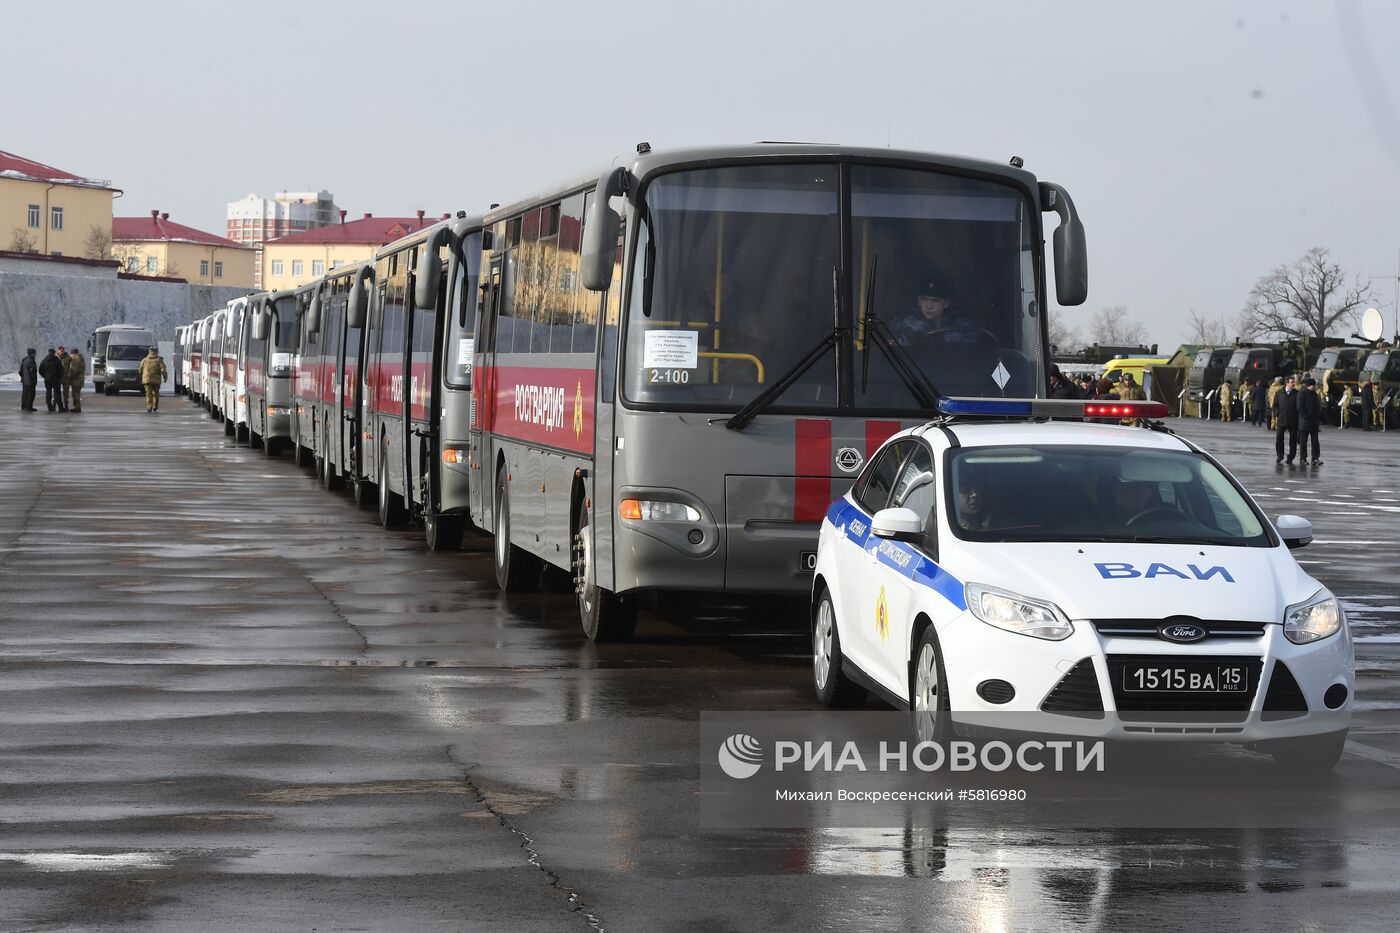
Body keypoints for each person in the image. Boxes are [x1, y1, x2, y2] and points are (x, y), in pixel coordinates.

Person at [891, 276, 978, 345]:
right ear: (919, 301)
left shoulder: (961, 324)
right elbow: (894, 346)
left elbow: (965, 351)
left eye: (935, 300)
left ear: (946, 303)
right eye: (924, 299)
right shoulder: (905, 322)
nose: (929, 306)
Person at [1273, 375, 1299, 463]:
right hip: (1282, 419)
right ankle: (1280, 455)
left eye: (1294, 382)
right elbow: (1275, 405)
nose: (1294, 384)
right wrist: (1277, 413)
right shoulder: (1279, 393)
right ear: (1287, 383)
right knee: (1279, 438)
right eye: (1292, 382)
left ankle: (1291, 457)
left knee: (1293, 440)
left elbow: (1299, 407)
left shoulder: (1297, 393)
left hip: (1293, 420)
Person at [1297, 377, 1322, 465]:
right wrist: (1306, 416)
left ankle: (1315, 458)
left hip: (1314, 423)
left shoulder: (1315, 394)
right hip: (1305, 422)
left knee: (1315, 442)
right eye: (1313, 385)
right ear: (1309, 385)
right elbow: (1300, 407)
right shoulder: (1302, 394)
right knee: (1303, 442)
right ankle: (1303, 458)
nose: (1314, 387)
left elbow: (1317, 407)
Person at [138, 346, 168, 412]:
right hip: (156, 380)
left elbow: (140, 370)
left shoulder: (144, 360)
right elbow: (163, 369)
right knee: (156, 394)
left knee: (149, 394)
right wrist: (165, 377)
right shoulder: (159, 360)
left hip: (147, 380)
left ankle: (149, 406)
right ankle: (155, 406)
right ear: (156, 352)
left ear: (149, 352)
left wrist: (142, 376)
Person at [38, 348, 64, 412]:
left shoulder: (44, 360)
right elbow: (61, 371)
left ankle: (50, 407)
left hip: (47, 380)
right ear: (54, 353)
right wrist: (58, 377)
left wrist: (45, 376)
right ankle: (60, 408)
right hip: (55, 380)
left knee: (48, 393)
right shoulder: (57, 360)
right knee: (57, 393)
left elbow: (40, 370)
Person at [64, 344, 85, 414]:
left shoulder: (76, 360)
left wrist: (69, 377)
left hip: (76, 381)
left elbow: (73, 371)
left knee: (75, 394)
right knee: (77, 394)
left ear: (74, 354)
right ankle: (77, 407)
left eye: (71, 355)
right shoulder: (81, 359)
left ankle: (77, 408)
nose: (71, 357)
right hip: (80, 380)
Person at [19, 348, 38, 412]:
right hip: (30, 381)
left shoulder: (24, 360)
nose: (36, 354)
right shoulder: (31, 361)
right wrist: (34, 379)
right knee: (31, 394)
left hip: (24, 381)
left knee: (25, 394)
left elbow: (20, 371)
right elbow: (32, 372)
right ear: (32, 353)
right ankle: (29, 407)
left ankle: (24, 406)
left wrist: (24, 377)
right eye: (35, 353)